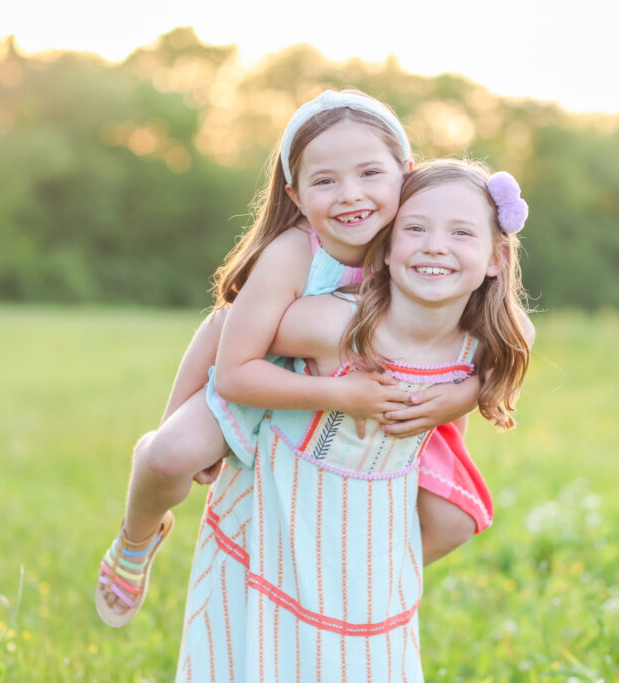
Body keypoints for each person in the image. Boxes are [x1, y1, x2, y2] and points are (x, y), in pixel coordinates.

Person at [95, 91, 487, 628]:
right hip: (273, 381)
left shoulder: (420, 240)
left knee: (453, 519)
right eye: (325, 181)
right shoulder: (294, 253)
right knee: (170, 455)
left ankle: (356, 590)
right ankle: (136, 540)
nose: (351, 196)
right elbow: (228, 356)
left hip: (377, 404)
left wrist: (461, 396)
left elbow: (506, 333)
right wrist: (339, 394)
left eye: (370, 173)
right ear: (296, 195)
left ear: (405, 172)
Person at [176, 159, 533, 681]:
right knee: (268, 653)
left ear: (496, 258)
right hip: (293, 497)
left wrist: (463, 396)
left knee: (361, 654)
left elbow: (517, 338)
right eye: (415, 229)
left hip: (371, 530)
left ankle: (370, 580)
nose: (436, 245)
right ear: (385, 249)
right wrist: (184, 421)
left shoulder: (483, 340)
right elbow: (230, 328)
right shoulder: (335, 324)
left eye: (461, 232)